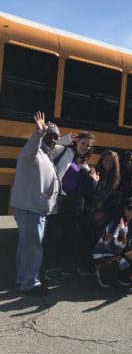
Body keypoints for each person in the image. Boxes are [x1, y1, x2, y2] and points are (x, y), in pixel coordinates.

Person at [11, 112, 61, 295]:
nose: (54, 141)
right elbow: (29, 153)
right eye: (51, 136)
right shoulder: (34, 151)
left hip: (36, 209)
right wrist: (38, 133)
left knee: (26, 246)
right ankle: (30, 283)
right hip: (30, 209)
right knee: (33, 247)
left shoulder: (46, 155)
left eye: (56, 138)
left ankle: (22, 279)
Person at [44, 131, 95, 281]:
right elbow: (48, 149)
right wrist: (64, 139)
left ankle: (62, 266)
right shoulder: (64, 150)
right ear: (77, 142)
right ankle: (50, 268)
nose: (85, 147)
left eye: (88, 145)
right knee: (54, 233)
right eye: (83, 143)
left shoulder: (84, 163)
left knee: (67, 235)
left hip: (71, 205)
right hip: (57, 199)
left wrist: (93, 181)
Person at [93, 197, 132, 287]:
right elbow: (110, 246)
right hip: (105, 255)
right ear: (123, 209)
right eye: (129, 207)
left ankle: (121, 277)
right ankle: (102, 274)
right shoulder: (115, 223)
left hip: (119, 255)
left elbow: (129, 242)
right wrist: (121, 237)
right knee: (115, 269)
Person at [82, 150, 121, 274]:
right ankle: (85, 266)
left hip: (104, 216)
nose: (108, 162)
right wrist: (94, 182)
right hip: (90, 213)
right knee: (88, 241)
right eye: (106, 159)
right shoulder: (94, 172)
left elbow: (113, 200)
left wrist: (107, 214)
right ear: (102, 160)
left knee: (98, 243)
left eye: (111, 161)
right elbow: (87, 194)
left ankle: (95, 267)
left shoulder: (115, 179)